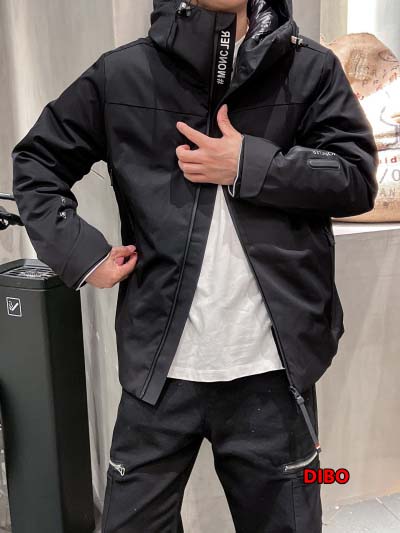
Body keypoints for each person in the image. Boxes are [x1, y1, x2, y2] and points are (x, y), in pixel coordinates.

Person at [12, 0, 378, 531]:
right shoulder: (125, 74)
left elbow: (355, 178)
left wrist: (248, 164)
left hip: (273, 372)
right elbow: (38, 161)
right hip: (159, 371)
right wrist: (82, 254)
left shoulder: (309, 69)